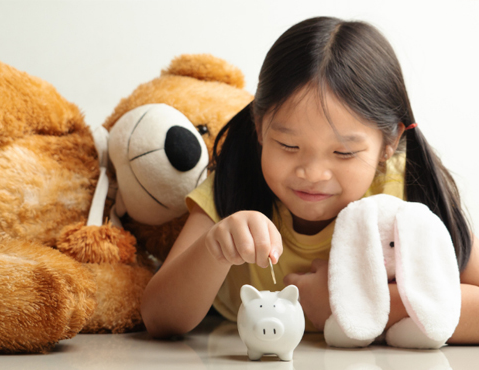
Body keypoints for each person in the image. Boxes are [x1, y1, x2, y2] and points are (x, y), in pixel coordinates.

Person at [141, 16, 479, 343]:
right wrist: (214, 248)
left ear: (388, 144)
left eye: (344, 153)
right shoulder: (233, 182)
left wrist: (346, 302)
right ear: (259, 126)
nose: (313, 174)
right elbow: (158, 318)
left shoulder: (403, 193)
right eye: (289, 146)